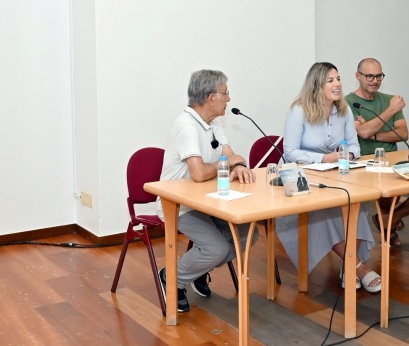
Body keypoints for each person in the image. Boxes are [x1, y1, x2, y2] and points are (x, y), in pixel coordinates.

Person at [156, 69, 258, 312]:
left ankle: (197, 269)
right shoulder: (186, 126)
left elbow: (232, 155)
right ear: (211, 97)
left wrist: (240, 164)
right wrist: (229, 163)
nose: (229, 99)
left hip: (208, 201)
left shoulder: (213, 124)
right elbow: (199, 173)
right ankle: (173, 278)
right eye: (226, 93)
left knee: (247, 235)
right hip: (179, 205)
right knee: (218, 248)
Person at [279, 62, 381, 293]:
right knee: (324, 211)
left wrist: (348, 154)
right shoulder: (299, 110)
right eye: (331, 80)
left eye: (338, 79)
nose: (337, 84)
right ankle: (359, 267)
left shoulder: (344, 110)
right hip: (301, 178)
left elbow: (354, 145)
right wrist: (325, 159)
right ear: (317, 85)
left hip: (336, 173)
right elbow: (290, 152)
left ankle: (349, 266)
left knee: (356, 204)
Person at [345, 58, 409, 247]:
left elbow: (403, 134)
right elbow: (363, 132)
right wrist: (390, 112)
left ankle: (389, 220)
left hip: (395, 163)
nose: (375, 80)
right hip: (364, 166)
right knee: (388, 190)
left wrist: (372, 134)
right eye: (369, 76)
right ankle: (387, 224)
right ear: (358, 76)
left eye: (379, 76)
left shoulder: (389, 99)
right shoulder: (348, 103)